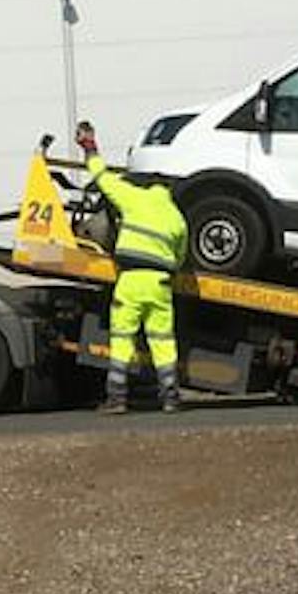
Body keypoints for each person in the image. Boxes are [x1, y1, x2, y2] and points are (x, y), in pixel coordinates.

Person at [75, 120, 188, 414]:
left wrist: (90, 147)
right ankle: (171, 397)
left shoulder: (134, 199)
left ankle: (116, 398)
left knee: (123, 338)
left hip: (131, 281)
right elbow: (179, 258)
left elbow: (102, 177)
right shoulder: (177, 218)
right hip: (161, 283)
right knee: (162, 341)